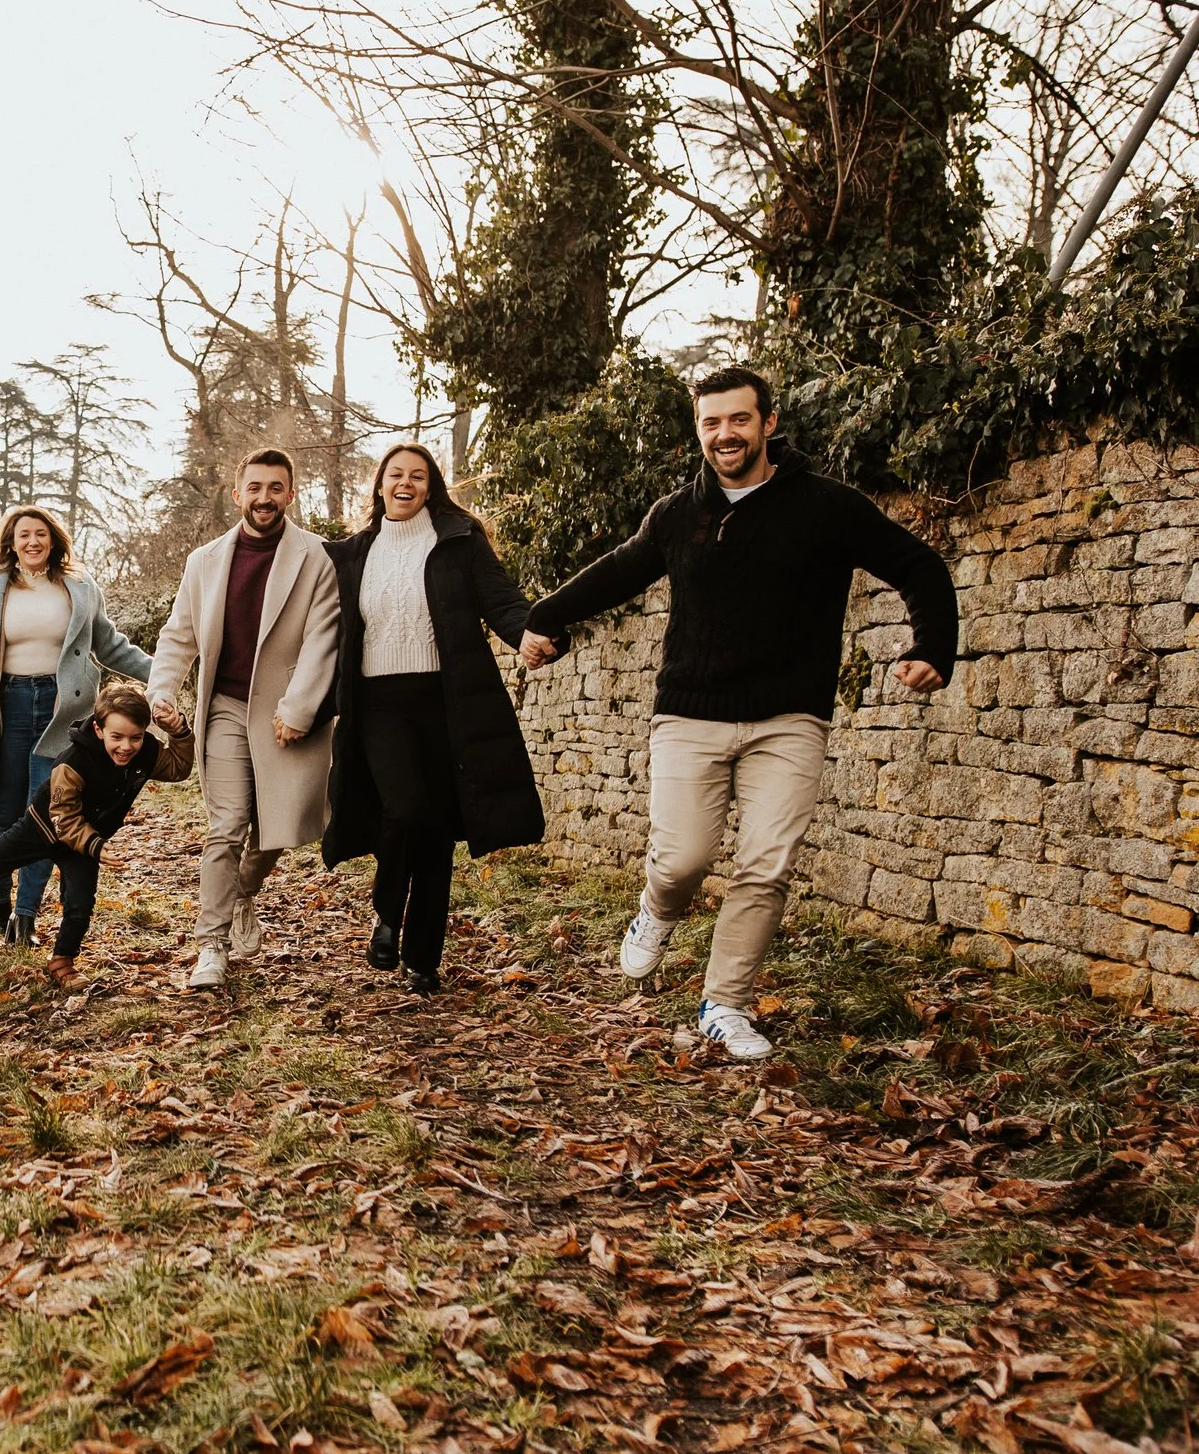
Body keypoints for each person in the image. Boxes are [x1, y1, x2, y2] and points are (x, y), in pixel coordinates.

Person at [521, 366, 959, 1060]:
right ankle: (658, 909)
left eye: (738, 419)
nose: (725, 434)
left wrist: (934, 642)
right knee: (682, 859)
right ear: (698, 429)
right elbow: (616, 571)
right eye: (711, 422)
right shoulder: (676, 513)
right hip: (690, 714)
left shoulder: (826, 507)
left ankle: (724, 1002)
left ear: (769, 422)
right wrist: (543, 619)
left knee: (765, 864)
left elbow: (918, 564)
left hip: (790, 718)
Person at [321, 444, 545, 995]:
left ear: (430, 486)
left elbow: (502, 602)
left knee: (438, 830)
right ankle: (388, 915)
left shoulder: (457, 542)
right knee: (405, 809)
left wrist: (527, 636)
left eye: (417, 476)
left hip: (448, 702)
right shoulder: (351, 554)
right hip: (378, 704)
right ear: (378, 486)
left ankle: (424, 958)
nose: (405, 483)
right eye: (395, 474)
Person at [149, 449, 342, 990]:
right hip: (226, 708)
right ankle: (210, 946)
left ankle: (243, 893)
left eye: (275, 487)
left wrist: (300, 709)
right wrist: (161, 689)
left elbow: (323, 637)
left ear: (290, 493)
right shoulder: (204, 561)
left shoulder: (319, 557)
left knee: (279, 828)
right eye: (254, 487)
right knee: (227, 825)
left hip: (288, 714)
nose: (264, 497)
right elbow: (178, 635)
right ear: (237, 495)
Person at [0, 507, 151, 947]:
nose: (33, 542)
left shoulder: (79, 586)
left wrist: (163, 672)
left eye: (41, 534)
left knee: (47, 817)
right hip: (7, 707)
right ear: (12, 541)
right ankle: (0, 906)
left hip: (63, 712)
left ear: (54, 539)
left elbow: (109, 645)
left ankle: (25, 919)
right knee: (5, 816)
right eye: (24, 535)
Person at [0, 683, 192, 984]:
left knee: (81, 900)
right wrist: (97, 847)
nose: (126, 746)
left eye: (135, 737)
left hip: (83, 841)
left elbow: (178, 768)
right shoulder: (72, 762)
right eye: (117, 737)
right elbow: (63, 819)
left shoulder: (144, 753)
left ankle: (63, 960)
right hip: (44, 827)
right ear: (99, 730)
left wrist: (179, 734)